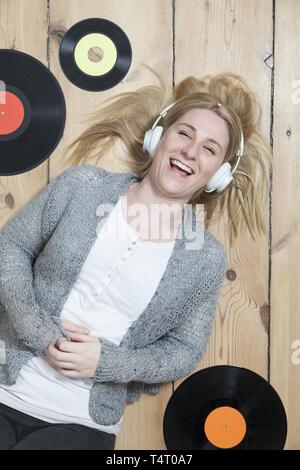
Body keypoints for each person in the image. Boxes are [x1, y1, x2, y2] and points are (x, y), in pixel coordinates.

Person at [0, 66, 271, 449]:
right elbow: (10, 249)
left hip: (81, 425)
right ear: (158, 137)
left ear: (218, 175)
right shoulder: (81, 188)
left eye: (209, 149)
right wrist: (41, 335)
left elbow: (181, 351)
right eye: (184, 133)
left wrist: (106, 364)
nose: (190, 152)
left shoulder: (204, 259)